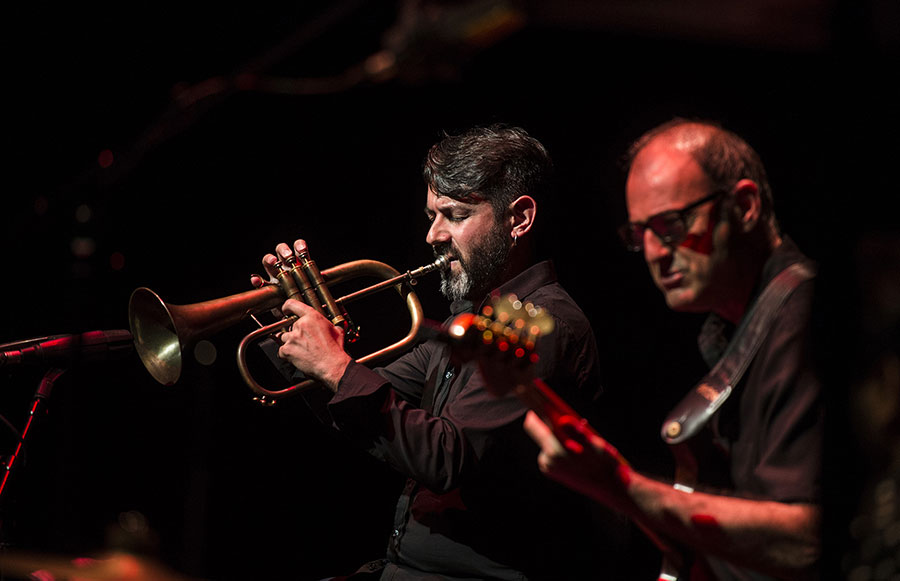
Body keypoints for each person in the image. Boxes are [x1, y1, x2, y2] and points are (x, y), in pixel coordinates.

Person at [254, 124, 604, 580]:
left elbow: (445, 455)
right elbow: (363, 401)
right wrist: (290, 324)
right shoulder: (472, 319)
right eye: (430, 216)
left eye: (454, 215)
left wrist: (335, 367)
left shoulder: (543, 324)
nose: (432, 235)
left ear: (518, 218)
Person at [522, 119, 823, 580]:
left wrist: (624, 487)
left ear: (744, 206)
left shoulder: (803, 322)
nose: (653, 252)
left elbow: (808, 540)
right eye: (639, 232)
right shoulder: (732, 331)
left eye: (671, 224)